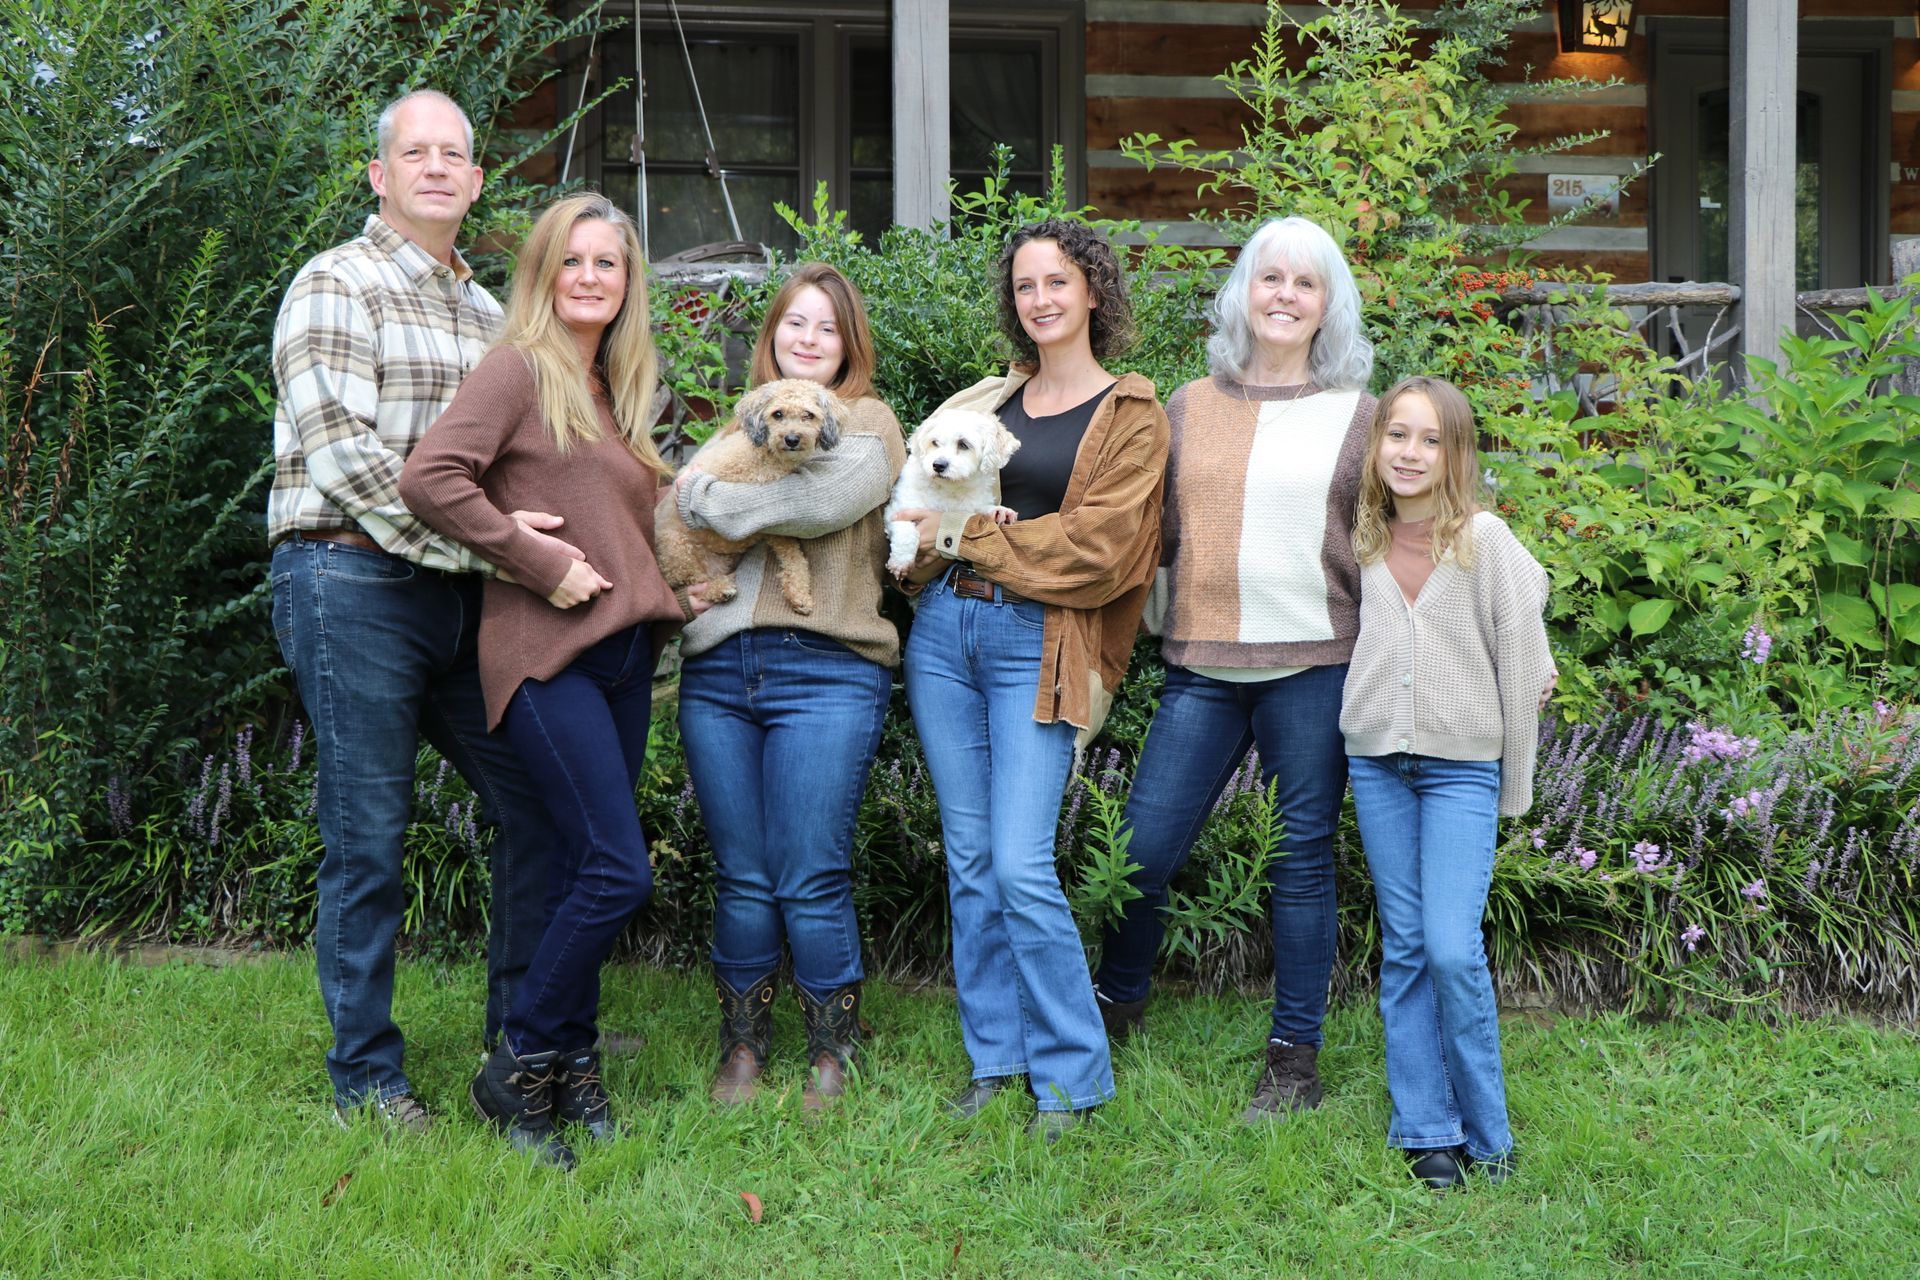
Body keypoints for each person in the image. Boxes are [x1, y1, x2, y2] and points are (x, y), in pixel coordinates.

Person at [269, 89, 573, 1131]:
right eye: (417, 152)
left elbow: (529, 465)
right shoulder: (333, 284)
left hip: (461, 595)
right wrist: (506, 543)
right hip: (347, 578)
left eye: (456, 154)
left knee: (536, 799)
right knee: (369, 831)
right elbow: (350, 461)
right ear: (380, 175)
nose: (438, 167)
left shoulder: (491, 316)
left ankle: (522, 1034)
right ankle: (367, 1073)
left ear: (478, 180)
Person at [399, 193, 687, 1169]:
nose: (593, 277)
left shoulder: (613, 389)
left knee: (577, 867)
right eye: (576, 259)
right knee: (618, 866)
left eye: (610, 263)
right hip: (543, 651)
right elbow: (432, 476)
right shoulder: (516, 367)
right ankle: (519, 1055)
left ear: (627, 283)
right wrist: (523, 549)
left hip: (619, 656)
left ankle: (566, 1069)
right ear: (544, 272)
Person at [1089, 214, 1377, 1121]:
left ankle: (1295, 1058)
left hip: (1315, 664)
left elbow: (1386, 543)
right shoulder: (1187, 404)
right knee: (1139, 851)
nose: (1285, 296)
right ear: (1242, 294)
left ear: (1328, 305)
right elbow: (1154, 537)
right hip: (1202, 665)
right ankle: (1115, 1005)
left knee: (1301, 864)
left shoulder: (1362, 415)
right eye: (1269, 278)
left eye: (1305, 283)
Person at [896, 219, 1168, 1142]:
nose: (1041, 299)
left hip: (1038, 646)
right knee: (971, 863)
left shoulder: (1131, 414)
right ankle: (998, 1058)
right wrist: (928, 545)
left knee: (1019, 862)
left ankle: (1074, 1077)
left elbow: (1102, 549)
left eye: (1058, 281)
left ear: (1093, 289)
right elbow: (920, 499)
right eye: (1024, 286)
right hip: (944, 637)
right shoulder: (988, 400)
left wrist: (970, 538)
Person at [670, 262, 906, 1111]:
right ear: (770, 336)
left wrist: (710, 500)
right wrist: (693, 498)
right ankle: (742, 1043)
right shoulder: (743, 425)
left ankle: (831, 1048)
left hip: (828, 669)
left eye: (826, 328)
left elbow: (804, 507)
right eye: (793, 324)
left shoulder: (869, 422)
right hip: (720, 668)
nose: (807, 340)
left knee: (810, 871)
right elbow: (674, 510)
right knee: (741, 874)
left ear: (849, 344)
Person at [1341, 376, 1554, 1190]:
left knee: (1450, 949)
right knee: (1404, 948)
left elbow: (1524, 630)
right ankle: (1426, 1129)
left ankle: (1488, 1134)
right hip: (1377, 763)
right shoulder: (1364, 535)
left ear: (1456, 453)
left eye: (1430, 440)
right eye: (1398, 434)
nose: (1410, 453)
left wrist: (1516, 786)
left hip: (1461, 766)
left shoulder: (1484, 539)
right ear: (1379, 444)